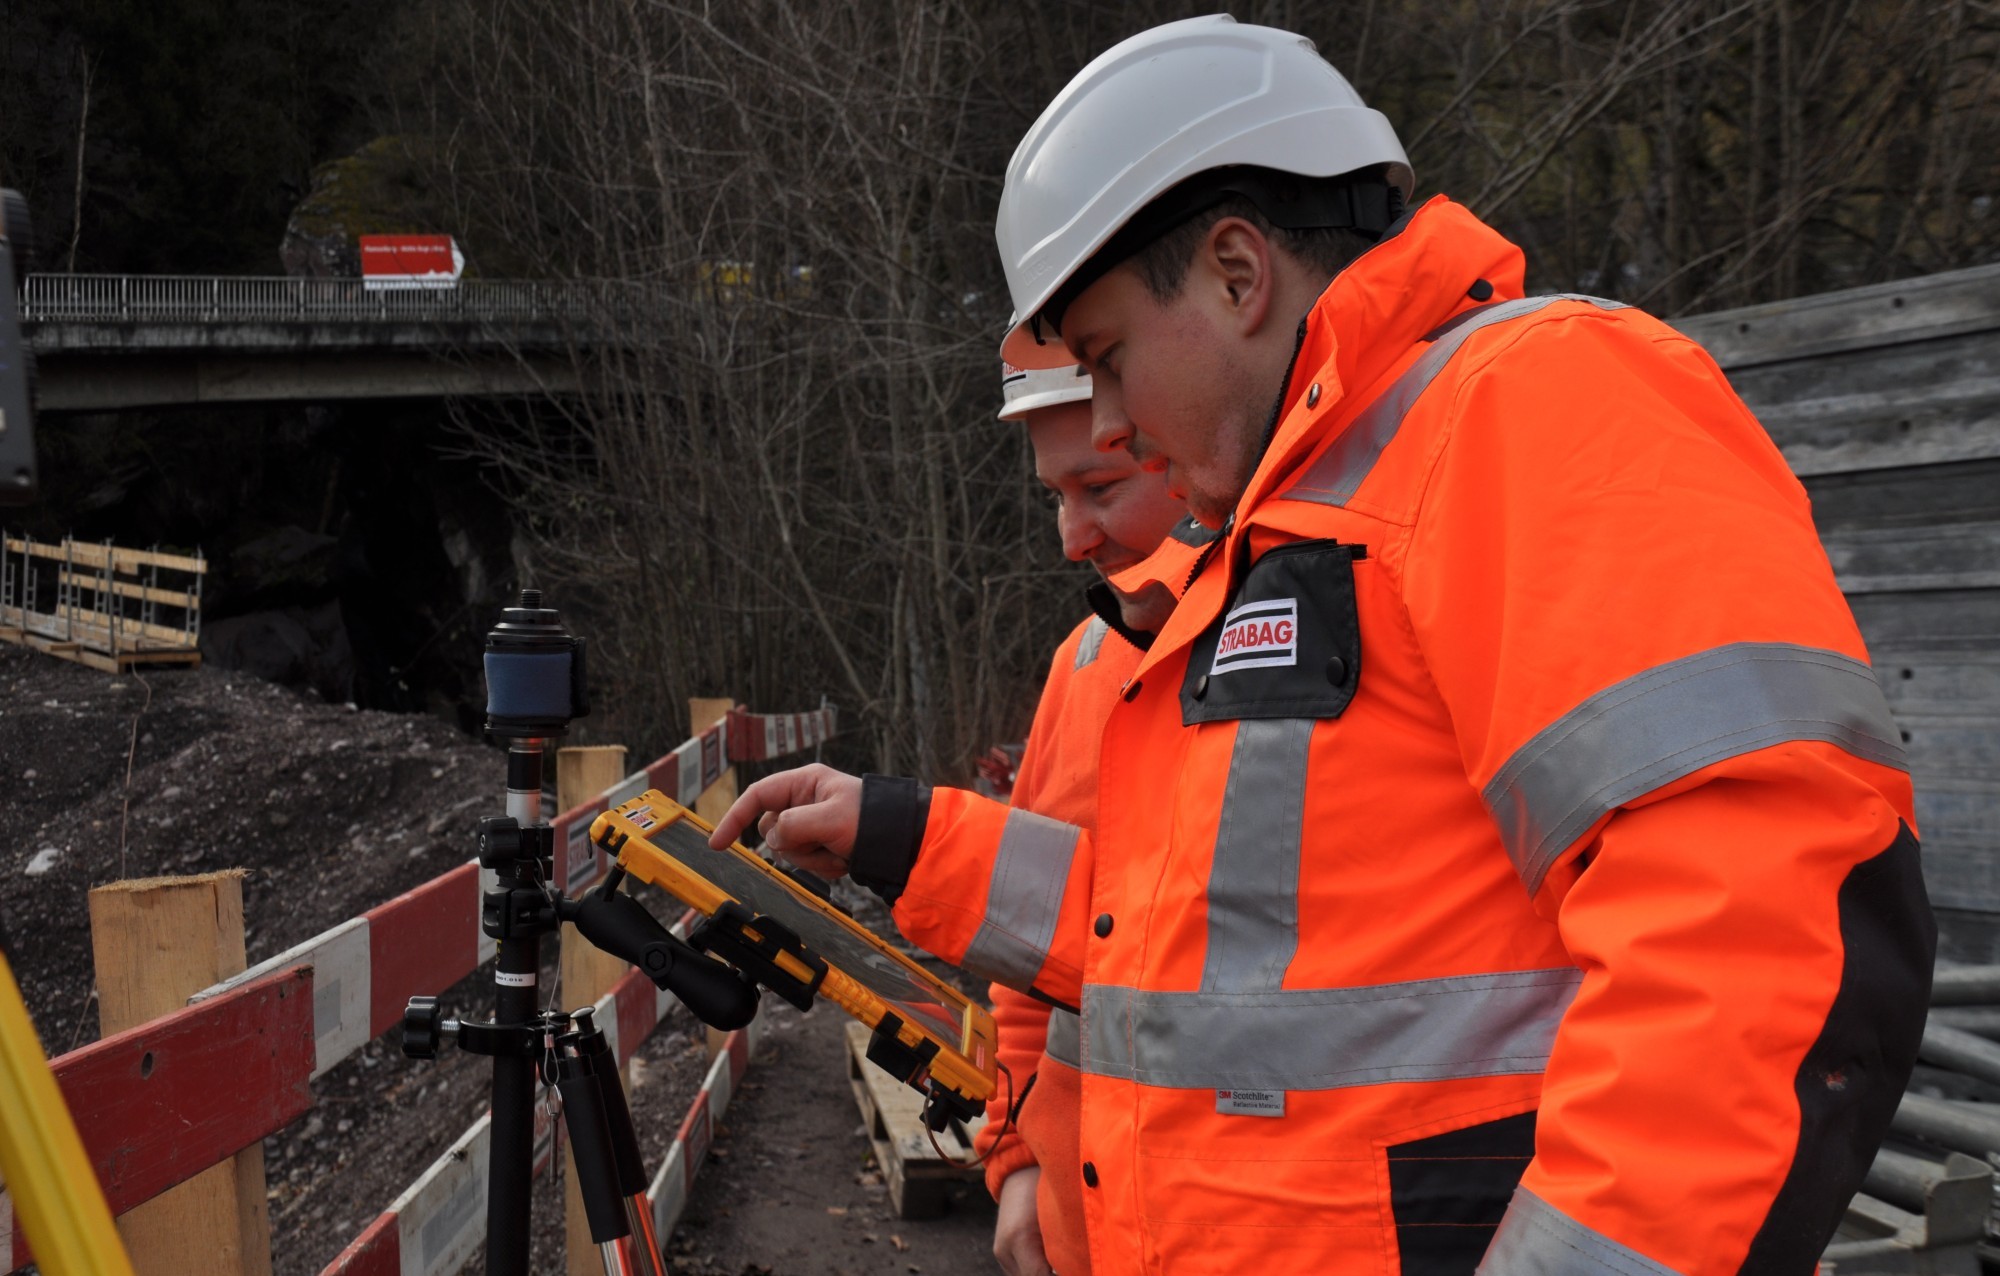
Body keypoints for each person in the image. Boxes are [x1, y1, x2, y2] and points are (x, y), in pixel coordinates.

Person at [716, 16, 1932, 1275]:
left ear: (1238, 272)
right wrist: (904, 831)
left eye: (1110, 360)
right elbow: (1171, 953)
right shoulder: (1282, 536)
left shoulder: (1525, 405)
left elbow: (1760, 924)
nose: (1117, 425)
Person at [977, 325, 1200, 1276]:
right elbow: (1031, 949)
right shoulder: (1081, 666)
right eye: (1057, 498)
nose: (1072, 539)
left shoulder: (1320, 645)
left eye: (1101, 489)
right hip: (1084, 1233)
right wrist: (1020, 1157)